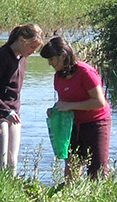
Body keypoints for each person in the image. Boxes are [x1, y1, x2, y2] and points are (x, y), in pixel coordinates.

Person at [40, 36, 111, 181]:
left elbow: (99, 102)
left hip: (96, 122)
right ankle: (70, 196)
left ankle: (98, 197)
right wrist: (55, 110)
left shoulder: (85, 72)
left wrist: (69, 106)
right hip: (72, 124)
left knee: (96, 168)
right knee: (72, 164)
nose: (49, 63)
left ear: (63, 56)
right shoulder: (58, 77)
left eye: (52, 59)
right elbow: (64, 101)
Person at [0, 24, 43, 172]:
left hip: (14, 114)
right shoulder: (1, 57)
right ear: (21, 40)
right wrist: (6, 110)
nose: (33, 51)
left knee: (12, 162)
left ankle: (12, 192)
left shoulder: (22, 57)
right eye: (31, 47)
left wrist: (12, 111)